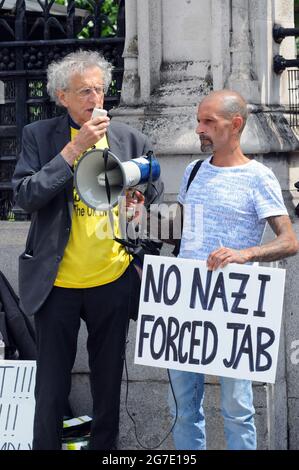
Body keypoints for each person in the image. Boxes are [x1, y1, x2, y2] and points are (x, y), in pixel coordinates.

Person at [12, 50, 163, 450]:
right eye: (84, 92)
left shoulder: (131, 137)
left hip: (111, 278)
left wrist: (141, 198)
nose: (95, 99)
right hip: (56, 281)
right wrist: (73, 149)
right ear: (62, 96)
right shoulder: (39, 136)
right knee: (51, 385)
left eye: (100, 88)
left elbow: (153, 180)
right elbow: (25, 197)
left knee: (108, 380)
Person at [166, 89, 299, 450]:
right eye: (199, 120)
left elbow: (289, 240)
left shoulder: (259, 176)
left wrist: (244, 253)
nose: (199, 128)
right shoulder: (193, 171)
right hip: (186, 302)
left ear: (235, 124)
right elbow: (178, 231)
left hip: (234, 307)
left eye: (209, 121)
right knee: (182, 408)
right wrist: (140, 218)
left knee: (237, 409)